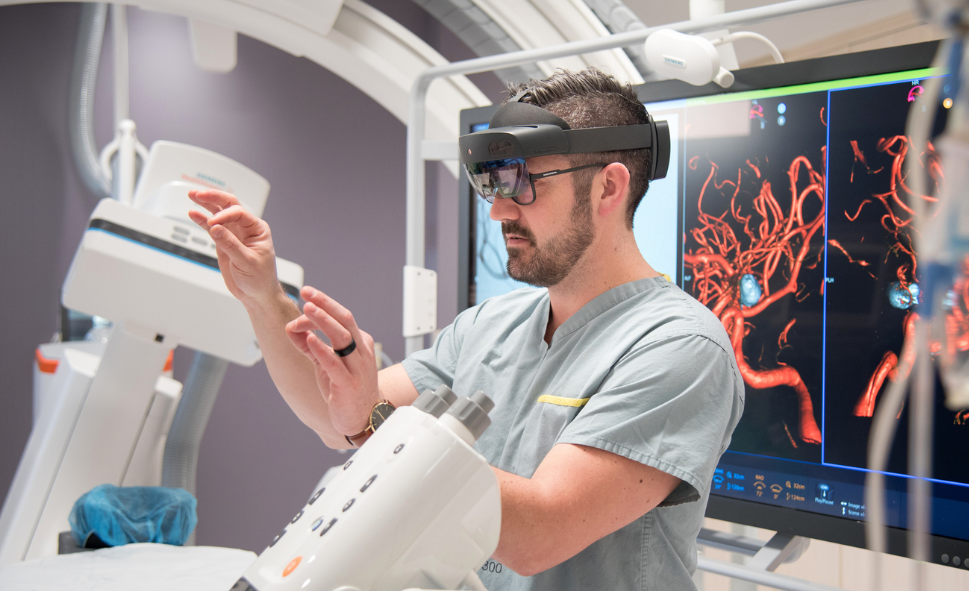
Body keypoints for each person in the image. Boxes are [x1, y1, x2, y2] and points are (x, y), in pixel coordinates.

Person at [188, 68, 743, 591]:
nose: (500, 212)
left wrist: (375, 425)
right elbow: (337, 413)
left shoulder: (678, 347)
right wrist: (263, 299)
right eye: (494, 186)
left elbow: (541, 530)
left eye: (524, 184)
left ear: (608, 188)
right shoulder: (489, 326)